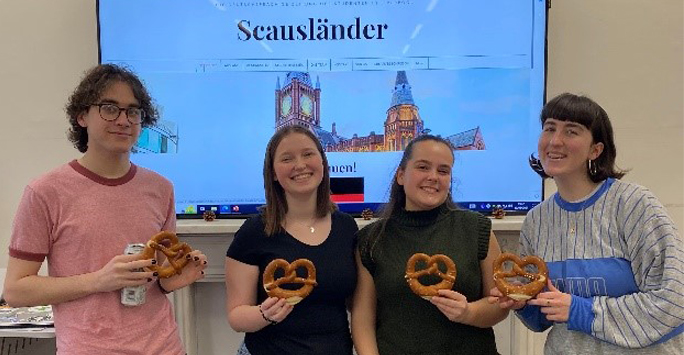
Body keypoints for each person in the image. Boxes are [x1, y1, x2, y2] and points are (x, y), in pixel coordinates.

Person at [3, 64, 207, 355]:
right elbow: (16, 290)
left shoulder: (161, 189)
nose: (123, 120)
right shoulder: (45, 192)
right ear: (82, 116)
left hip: (164, 346)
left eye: (133, 111)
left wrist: (175, 280)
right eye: (110, 108)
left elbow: (154, 279)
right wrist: (99, 280)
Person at [490, 93, 683, 354]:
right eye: (549, 128)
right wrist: (521, 303)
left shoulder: (634, 204)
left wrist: (580, 310)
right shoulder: (537, 220)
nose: (555, 141)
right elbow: (542, 319)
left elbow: (674, 299)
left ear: (596, 150)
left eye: (572, 131)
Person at [352, 135, 508, 355]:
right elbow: (362, 319)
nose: (433, 177)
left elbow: (498, 305)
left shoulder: (477, 229)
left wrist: (468, 312)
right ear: (401, 175)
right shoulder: (371, 239)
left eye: (443, 171)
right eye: (423, 167)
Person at [224, 125, 358, 355]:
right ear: (274, 173)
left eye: (308, 154)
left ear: (323, 162)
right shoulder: (255, 231)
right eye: (287, 158)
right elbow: (236, 316)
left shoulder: (347, 227)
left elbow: (356, 306)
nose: (300, 165)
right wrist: (265, 314)